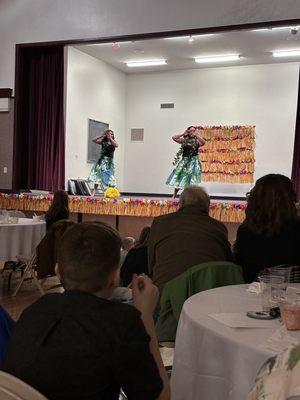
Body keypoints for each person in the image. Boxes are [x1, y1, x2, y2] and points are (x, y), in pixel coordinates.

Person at [2, 222, 169, 400]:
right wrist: (145, 316)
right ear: (115, 277)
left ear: (57, 271)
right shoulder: (122, 323)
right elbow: (161, 397)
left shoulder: (35, 310)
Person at [148, 186, 232, 294]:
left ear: (181, 203)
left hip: (165, 298)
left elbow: (151, 264)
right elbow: (227, 264)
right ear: (207, 206)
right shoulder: (218, 227)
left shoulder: (160, 223)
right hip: (206, 297)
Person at [234, 174, 300, 283]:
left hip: (254, 292)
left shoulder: (246, 231)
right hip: (295, 293)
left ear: (255, 199)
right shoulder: (297, 229)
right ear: (290, 199)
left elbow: (242, 269)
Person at [166, 126, 205, 198]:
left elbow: (203, 142)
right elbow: (174, 138)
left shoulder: (196, 141)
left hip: (194, 161)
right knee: (180, 175)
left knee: (191, 178)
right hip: (185, 161)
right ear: (188, 132)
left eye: (194, 131)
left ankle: (188, 195)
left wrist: (197, 135)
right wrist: (183, 133)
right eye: (191, 131)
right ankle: (175, 194)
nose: (192, 132)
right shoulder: (184, 140)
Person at [88, 129, 118, 196]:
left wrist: (110, 138)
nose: (110, 135)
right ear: (106, 134)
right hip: (102, 160)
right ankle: (94, 191)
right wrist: (102, 135)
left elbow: (116, 145)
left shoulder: (113, 142)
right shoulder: (103, 142)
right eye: (109, 134)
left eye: (111, 134)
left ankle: (110, 191)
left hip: (109, 162)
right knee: (98, 175)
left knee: (110, 176)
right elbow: (94, 140)